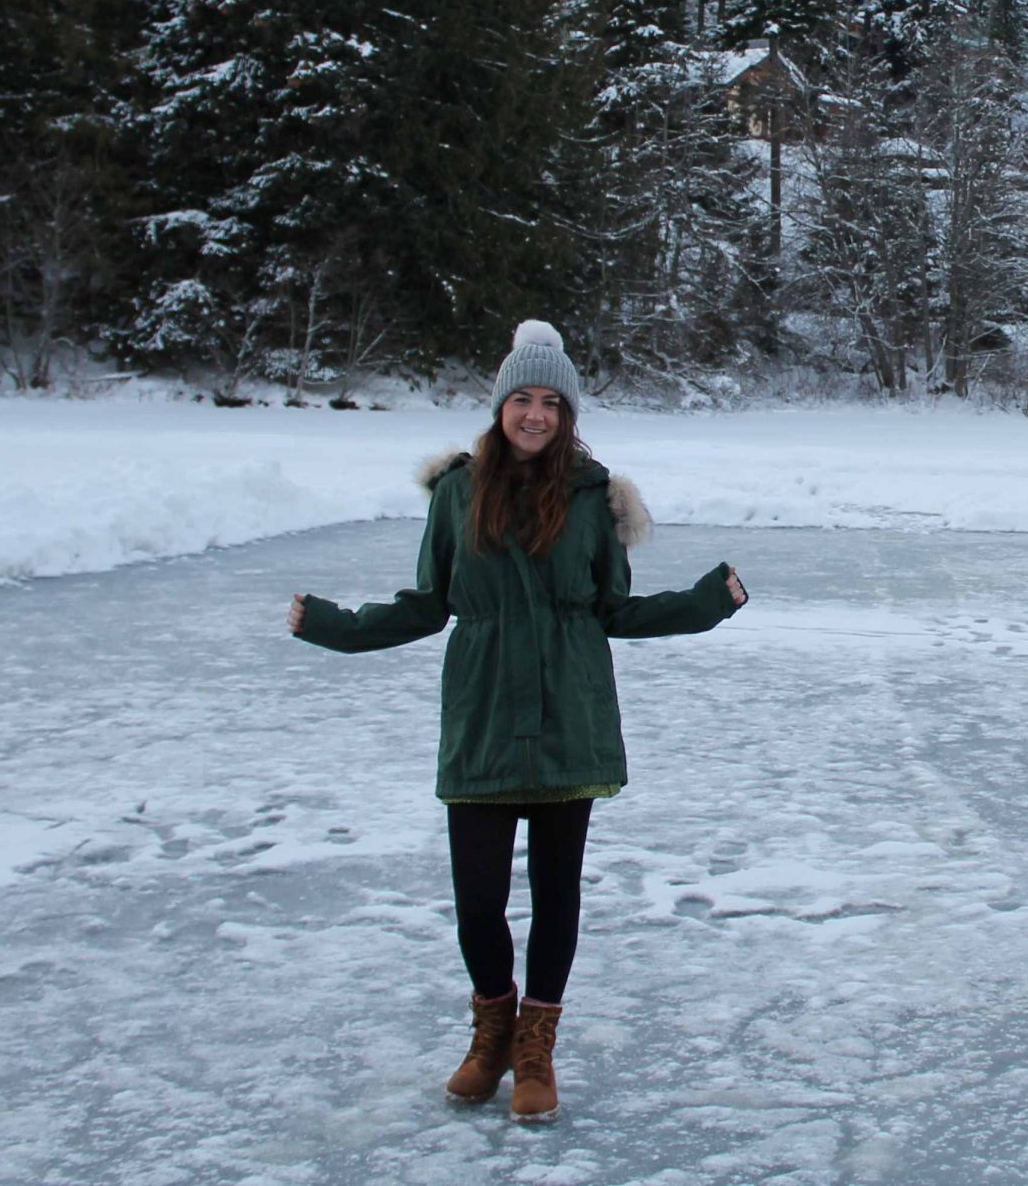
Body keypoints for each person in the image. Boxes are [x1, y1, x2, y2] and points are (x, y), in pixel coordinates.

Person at [286, 320, 746, 1121]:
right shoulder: (458, 494)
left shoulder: (594, 497)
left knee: (556, 894)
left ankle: (537, 1047)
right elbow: (428, 604)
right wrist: (332, 623)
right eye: (522, 399)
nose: (535, 414)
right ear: (501, 405)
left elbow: (614, 608)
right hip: (485, 714)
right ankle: (492, 1028)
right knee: (477, 900)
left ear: (568, 415)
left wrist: (709, 602)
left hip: (571, 715)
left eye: (551, 402)